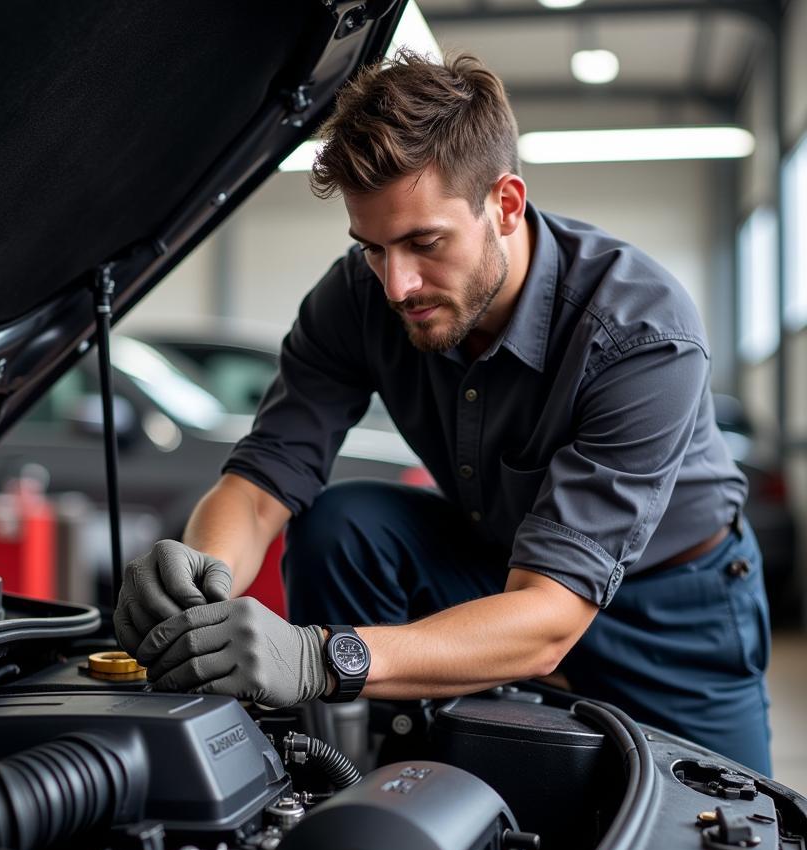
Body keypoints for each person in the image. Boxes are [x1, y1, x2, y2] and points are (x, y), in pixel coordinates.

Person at [114, 51, 772, 774]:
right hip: (496, 570)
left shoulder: (640, 332)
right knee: (346, 525)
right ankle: (370, 776)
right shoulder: (358, 301)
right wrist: (200, 577)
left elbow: (549, 618)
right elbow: (263, 478)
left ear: (507, 204)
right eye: (373, 249)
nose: (397, 285)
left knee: (738, 845)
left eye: (425, 243)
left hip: (670, 613)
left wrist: (321, 656)